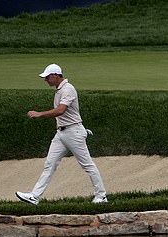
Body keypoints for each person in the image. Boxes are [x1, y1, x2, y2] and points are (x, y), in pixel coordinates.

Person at [16, 63, 107, 205]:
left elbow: (60, 110)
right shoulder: (60, 90)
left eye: (47, 77)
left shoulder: (68, 89)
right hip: (61, 133)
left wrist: (40, 114)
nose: (45, 80)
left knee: (87, 165)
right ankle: (35, 196)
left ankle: (101, 196)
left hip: (73, 132)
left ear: (56, 76)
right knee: (49, 164)